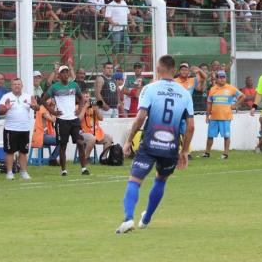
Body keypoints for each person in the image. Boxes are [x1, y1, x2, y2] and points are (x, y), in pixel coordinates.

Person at [116, 55, 194, 234]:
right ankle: (147, 218)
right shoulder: (184, 93)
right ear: (174, 71)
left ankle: (128, 219)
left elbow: (141, 117)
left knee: (135, 180)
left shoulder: (149, 89)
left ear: (158, 70)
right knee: (161, 179)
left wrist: (129, 140)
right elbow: (190, 126)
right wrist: (184, 151)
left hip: (150, 143)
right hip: (171, 146)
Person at [41, 65, 90, 176]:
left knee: (80, 143)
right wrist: (53, 112)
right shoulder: (55, 87)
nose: (66, 74)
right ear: (59, 75)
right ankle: (63, 170)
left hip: (74, 120)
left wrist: (80, 109)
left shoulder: (74, 85)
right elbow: (43, 99)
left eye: (67, 72)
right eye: (63, 72)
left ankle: (84, 169)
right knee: (63, 145)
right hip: (62, 120)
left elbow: (81, 98)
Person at [0, 78, 39, 180]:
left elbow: (37, 108)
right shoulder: (6, 96)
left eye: (19, 84)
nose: (17, 86)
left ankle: (24, 172)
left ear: (22, 85)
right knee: (10, 151)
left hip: (24, 128)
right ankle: (9, 173)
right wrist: (6, 107)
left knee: (23, 151)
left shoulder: (28, 96)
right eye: (14, 84)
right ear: (11, 86)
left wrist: (35, 106)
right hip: (10, 128)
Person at [203, 70, 245, 159]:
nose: (222, 79)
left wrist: (235, 105)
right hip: (213, 117)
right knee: (210, 136)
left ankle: (225, 154)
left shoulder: (231, 88)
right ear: (217, 79)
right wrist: (207, 116)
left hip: (225, 117)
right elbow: (209, 103)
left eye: (224, 77)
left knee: (226, 136)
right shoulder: (212, 89)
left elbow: (242, 96)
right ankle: (207, 153)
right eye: (220, 77)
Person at [78, 90, 113, 161]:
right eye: (84, 97)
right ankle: (84, 159)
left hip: (96, 132)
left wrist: (96, 110)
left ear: (90, 97)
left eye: (87, 96)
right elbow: (78, 120)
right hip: (83, 133)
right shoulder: (78, 107)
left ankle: (103, 158)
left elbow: (101, 118)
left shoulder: (93, 107)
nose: (86, 98)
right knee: (92, 138)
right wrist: (84, 107)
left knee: (109, 138)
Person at [31, 97, 60, 166]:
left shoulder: (46, 109)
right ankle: (52, 159)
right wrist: (55, 108)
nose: (51, 100)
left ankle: (52, 159)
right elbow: (53, 120)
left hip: (43, 135)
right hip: (40, 136)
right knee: (62, 141)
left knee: (61, 140)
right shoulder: (42, 108)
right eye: (49, 98)